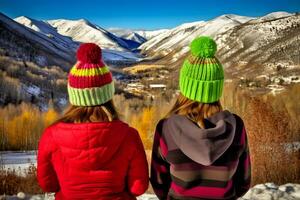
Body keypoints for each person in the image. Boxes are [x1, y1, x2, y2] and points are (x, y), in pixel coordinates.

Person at [37, 43, 149, 200]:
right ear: (108, 94)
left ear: (73, 94)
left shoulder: (51, 135)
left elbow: (48, 185)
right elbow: (138, 187)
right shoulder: (129, 135)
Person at [150, 36, 251, 200]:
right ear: (217, 88)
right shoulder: (235, 126)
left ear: (186, 86)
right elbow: (243, 182)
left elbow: (159, 181)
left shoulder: (166, 128)